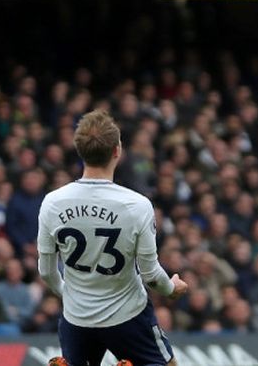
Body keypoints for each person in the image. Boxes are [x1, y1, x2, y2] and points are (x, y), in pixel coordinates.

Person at [38, 110, 187, 366]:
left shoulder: (53, 203)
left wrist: (71, 295)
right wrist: (172, 289)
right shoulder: (137, 205)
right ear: (117, 150)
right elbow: (151, 275)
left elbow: (47, 272)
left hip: (77, 319)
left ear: (80, 150)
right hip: (128, 316)